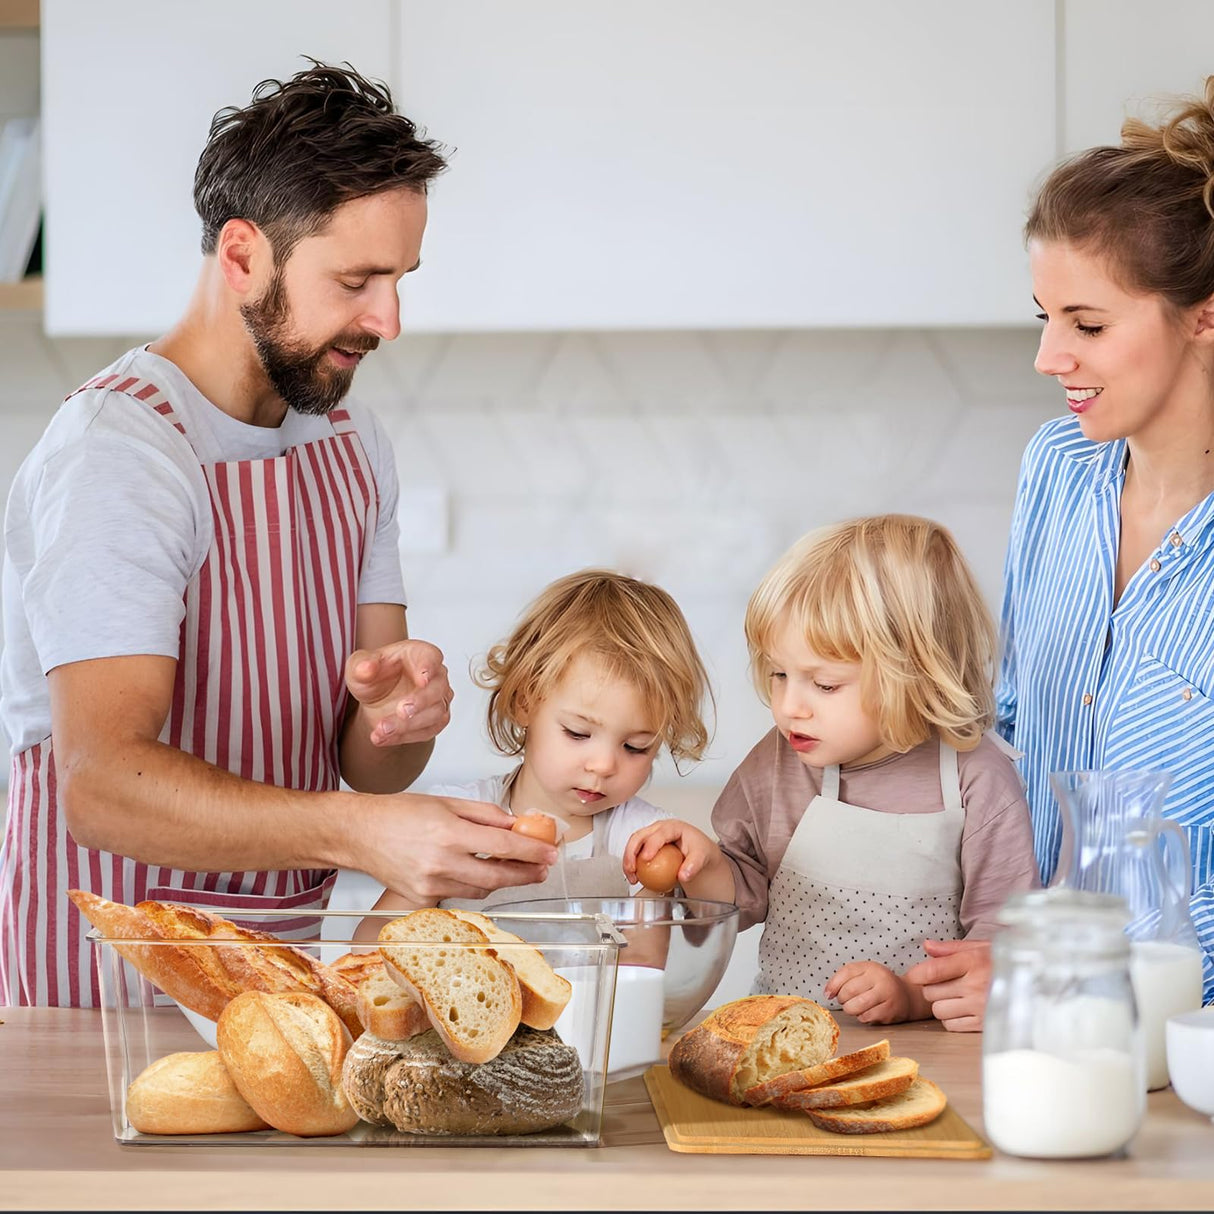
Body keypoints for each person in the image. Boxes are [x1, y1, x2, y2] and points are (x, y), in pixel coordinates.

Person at [0, 62, 558, 1008]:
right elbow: (102, 786)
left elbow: (366, 762)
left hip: (282, 979)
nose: (388, 319)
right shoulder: (120, 454)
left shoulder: (352, 444)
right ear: (243, 255)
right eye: (356, 280)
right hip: (107, 995)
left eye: (399, 279)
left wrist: (400, 720)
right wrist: (354, 831)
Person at [907, 76, 1214, 1024]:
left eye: (1087, 324)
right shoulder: (1060, 469)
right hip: (1030, 1019)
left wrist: (1065, 965)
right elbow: (1011, 728)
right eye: (1047, 317)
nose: (1049, 357)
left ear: (1203, 315)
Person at [624, 514, 1040, 1025]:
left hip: (923, 1050)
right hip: (782, 1030)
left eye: (824, 685)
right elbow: (745, 894)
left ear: (914, 674)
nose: (790, 707)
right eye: (779, 674)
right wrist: (704, 864)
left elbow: (1000, 950)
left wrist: (911, 997)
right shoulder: (779, 761)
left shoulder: (975, 779)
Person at [352, 568, 712, 942]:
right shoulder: (461, 818)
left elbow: (703, 929)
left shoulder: (640, 837)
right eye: (578, 732)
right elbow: (373, 937)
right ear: (525, 703)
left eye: (636, 747)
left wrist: (706, 861)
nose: (603, 765)